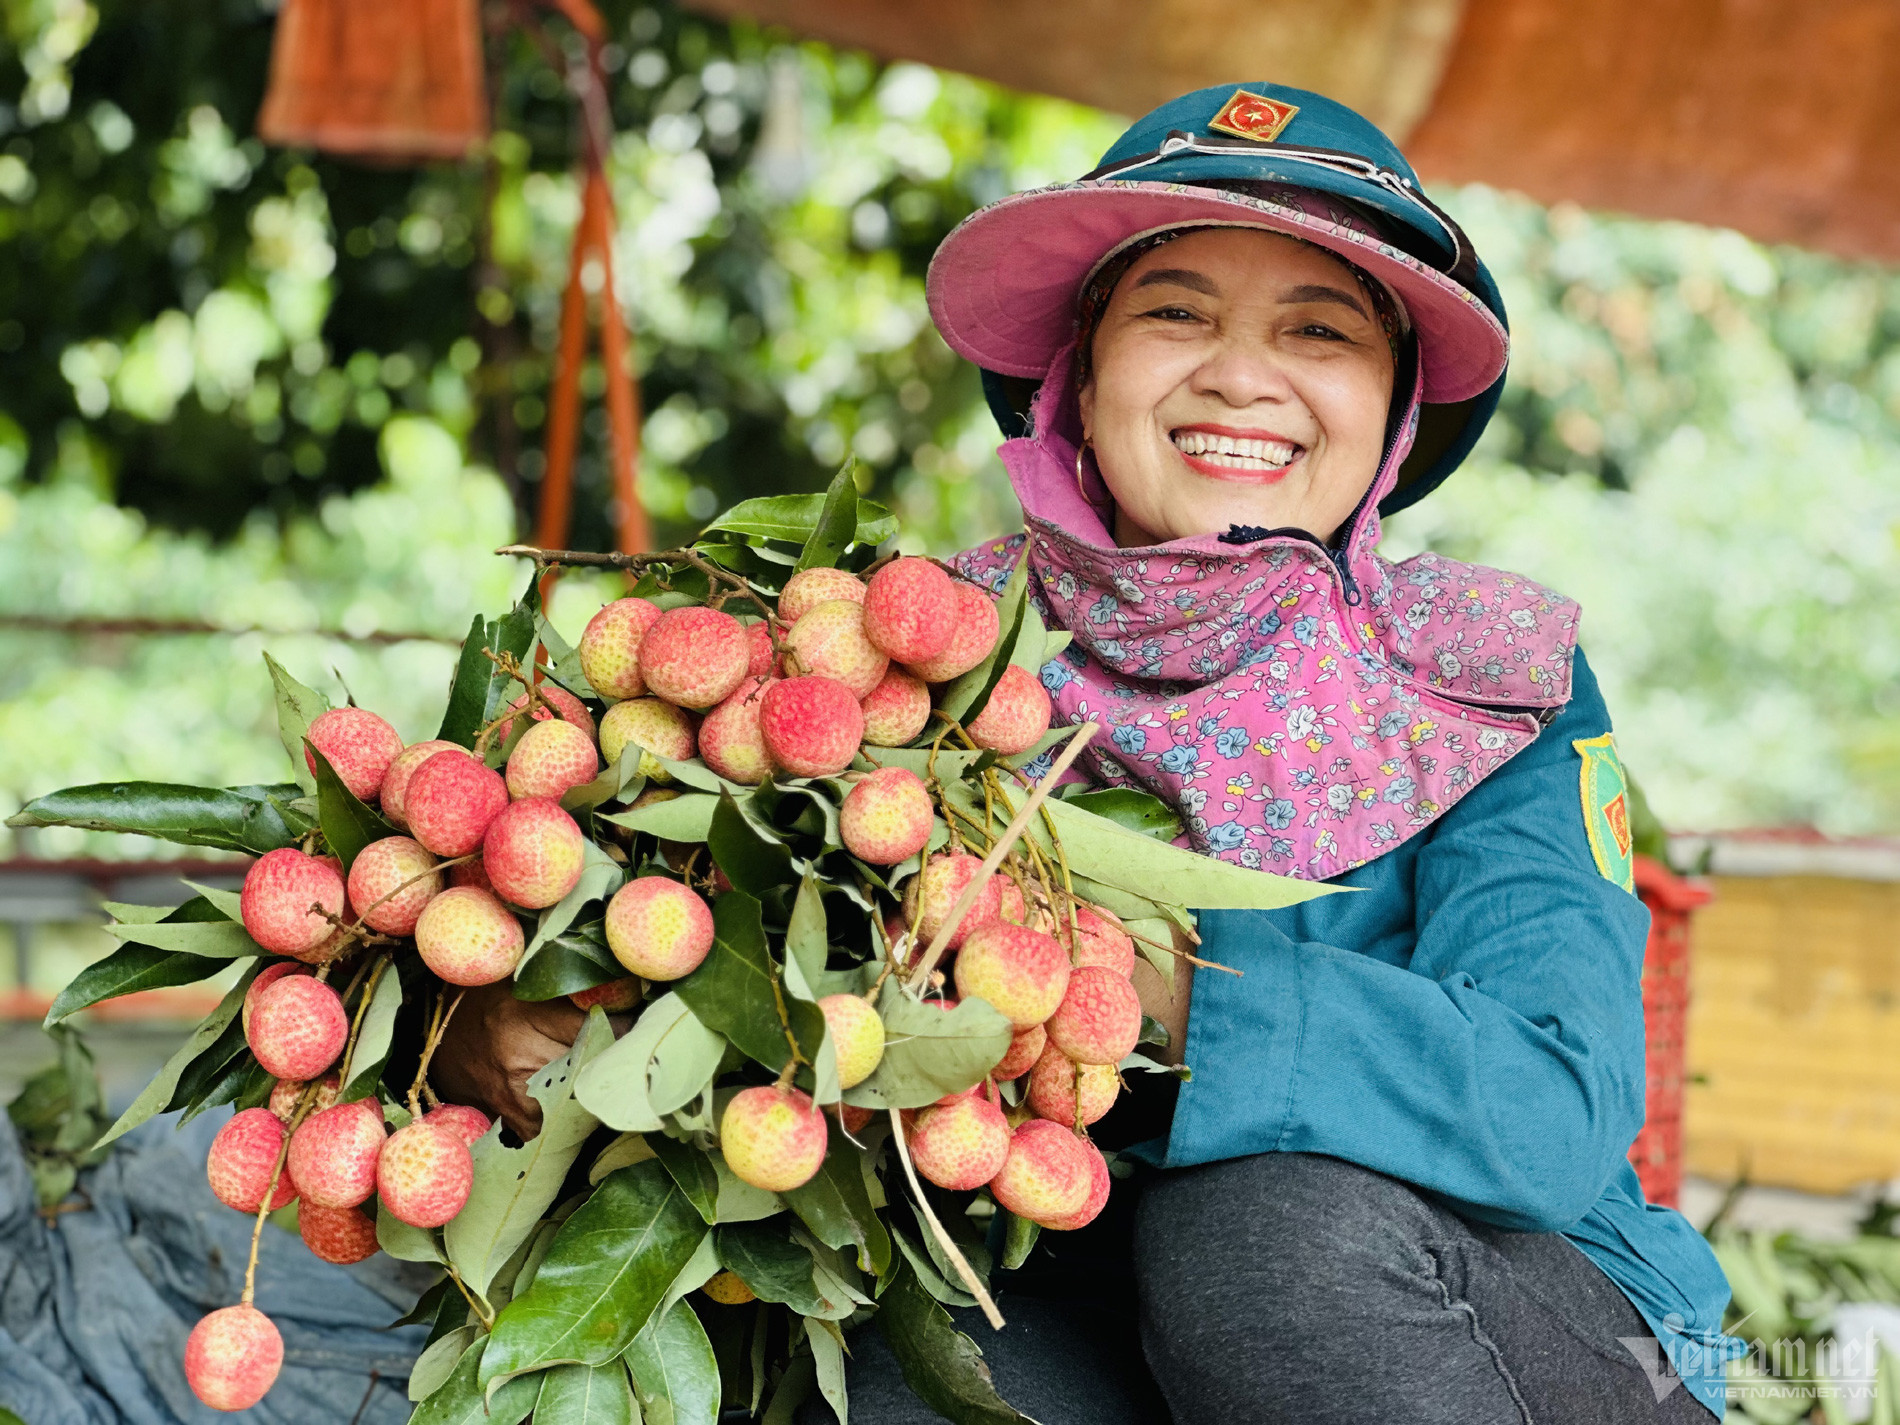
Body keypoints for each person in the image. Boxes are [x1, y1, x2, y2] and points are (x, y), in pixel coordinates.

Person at [448, 81, 1741, 1424]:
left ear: (1393, 402)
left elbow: (1551, 1100)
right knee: (913, 1356)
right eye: (1177, 311)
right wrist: (515, 1028)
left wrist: (1144, 981)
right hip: (1091, 1288)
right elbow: (737, 998)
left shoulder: (1489, 679)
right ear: (1083, 366)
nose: (1242, 372)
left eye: (1321, 328)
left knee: (1257, 1232)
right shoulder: (905, 662)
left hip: (1499, 1322)